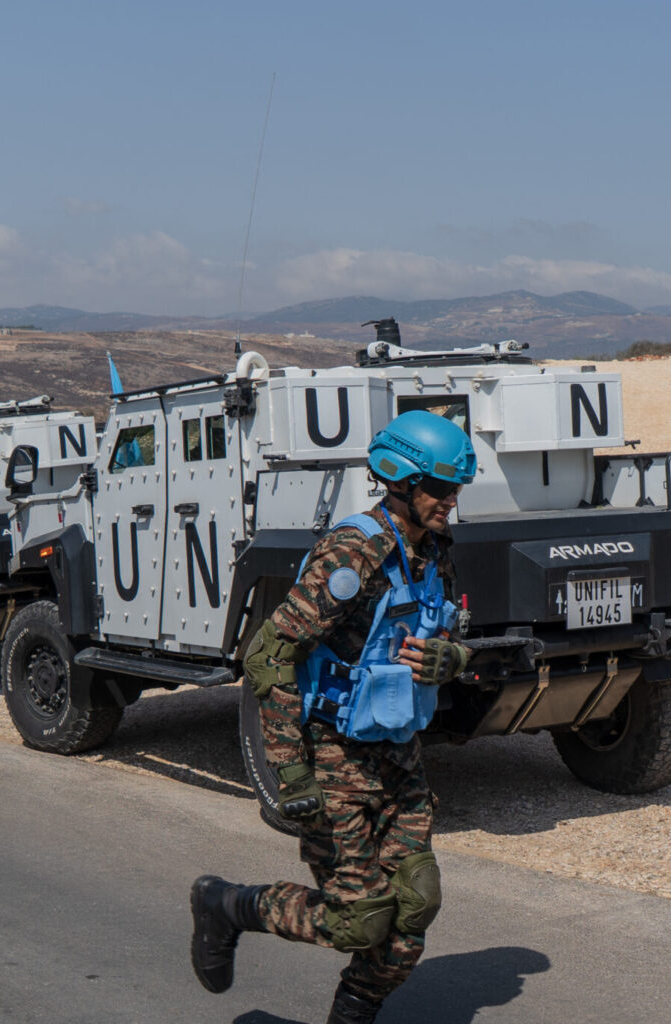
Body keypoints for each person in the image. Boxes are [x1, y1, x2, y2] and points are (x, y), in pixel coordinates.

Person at [190, 410, 477, 1024]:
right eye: (440, 487)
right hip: (332, 755)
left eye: (456, 488)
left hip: (399, 754)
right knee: (359, 920)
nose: (451, 500)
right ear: (400, 479)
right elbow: (269, 656)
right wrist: (290, 772)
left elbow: (451, 635)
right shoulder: (353, 553)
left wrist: (450, 658)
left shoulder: (434, 552)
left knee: (415, 906)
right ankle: (228, 906)